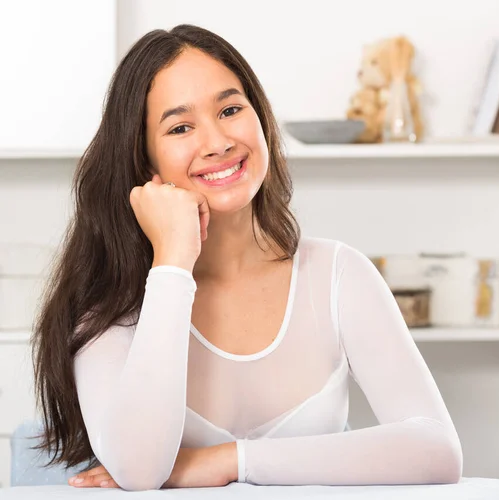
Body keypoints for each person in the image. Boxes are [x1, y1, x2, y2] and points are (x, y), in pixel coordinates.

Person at [31, 24, 462, 491]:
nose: (217, 142)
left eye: (231, 109)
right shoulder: (108, 303)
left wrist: (230, 461)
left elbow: (436, 450)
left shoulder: (338, 275)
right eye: (180, 127)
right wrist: (173, 260)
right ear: (144, 162)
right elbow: (139, 470)